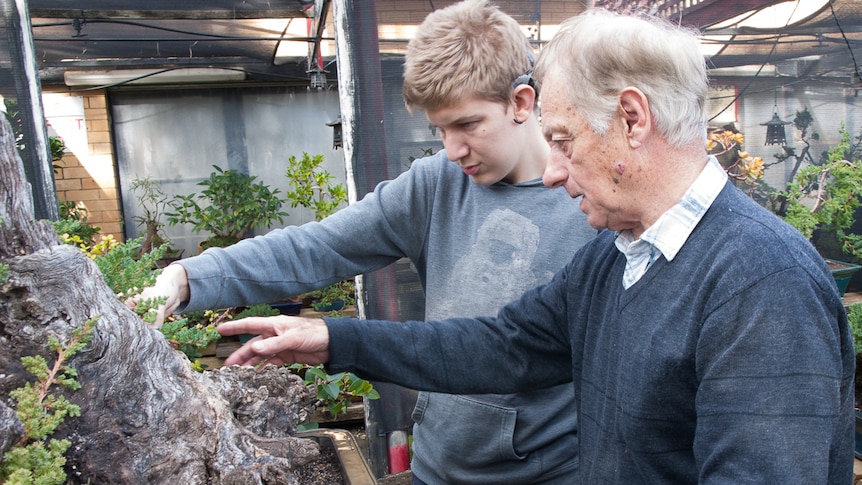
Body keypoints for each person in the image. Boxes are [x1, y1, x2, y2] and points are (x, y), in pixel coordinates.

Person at [215, 8, 856, 484]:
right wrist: (334, 340)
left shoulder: (760, 284)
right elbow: (503, 347)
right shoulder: (619, 255)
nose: (550, 172)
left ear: (632, 120)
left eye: (564, 139)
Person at [129, 1, 595, 483]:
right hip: (438, 467)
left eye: (467, 125)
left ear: (520, 102)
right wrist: (187, 278)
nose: (452, 149)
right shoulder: (436, 184)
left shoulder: (591, 203)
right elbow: (319, 246)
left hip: (550, 473)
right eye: (439, 129)